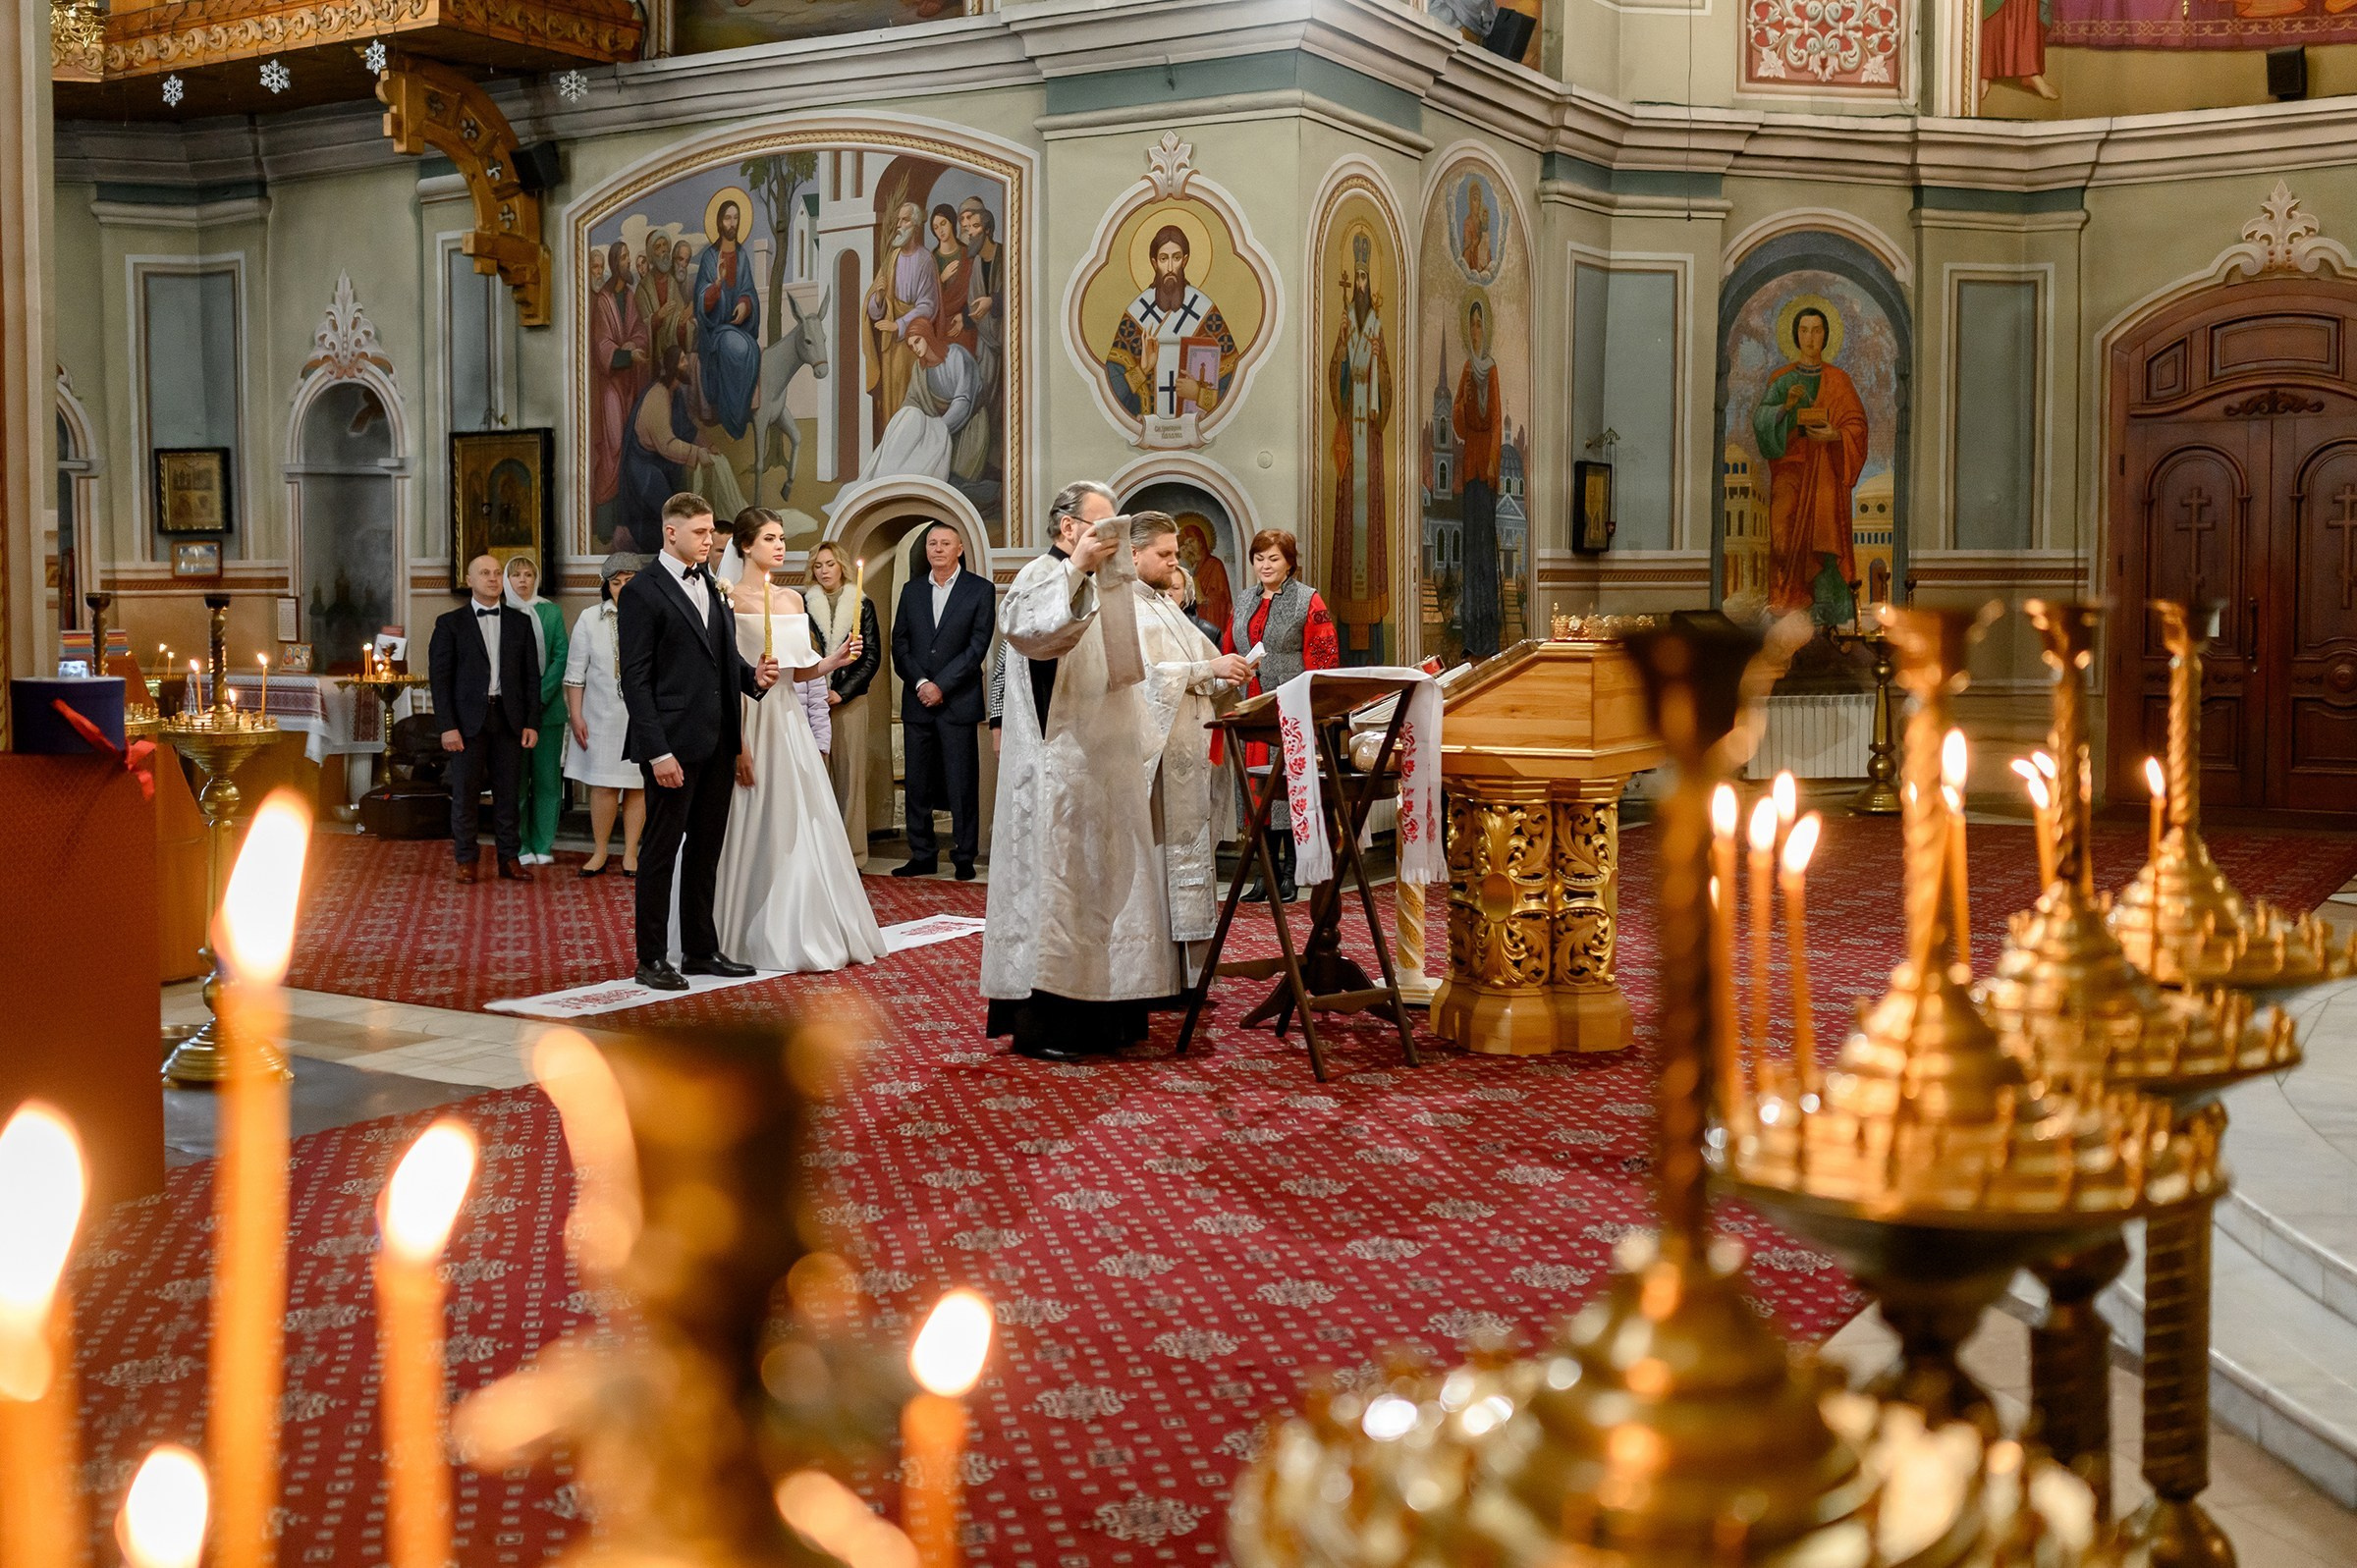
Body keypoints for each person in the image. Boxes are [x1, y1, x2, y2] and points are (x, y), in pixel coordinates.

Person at [982, 481, 1171, 1059]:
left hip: (1108, 763)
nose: (1110, 536)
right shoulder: (1040, 576)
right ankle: (1052, 1026)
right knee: (1061, 888)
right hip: (1060, 770)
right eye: (1100, 525)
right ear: (1069, 528)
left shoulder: (1116, 584)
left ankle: (1111, 1019)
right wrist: (1076, 572)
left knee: (1108, 883)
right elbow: (1032, 633)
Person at [617, 492, 782, 991]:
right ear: (672, 532)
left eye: (712, 533)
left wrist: (754, 677)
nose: (711, 541)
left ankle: (700, 949)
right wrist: (658, 750)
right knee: (661, 849)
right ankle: (650, 958)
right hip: (671, 742)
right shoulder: (643, 592)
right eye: (701, 533)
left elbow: (720, 655)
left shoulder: (711, 582)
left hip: (717, 736)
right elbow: (636, 680)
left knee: (708, 848)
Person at [713, 510, 886, 972]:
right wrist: (738, 745)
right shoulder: (726, 600)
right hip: (750, 714)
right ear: (745, 546)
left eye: (782, 538)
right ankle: (736, 925)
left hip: (788, 718)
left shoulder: (790, 599)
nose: (780, 546)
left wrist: (835, 660)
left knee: (800, 817)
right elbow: (728, 675)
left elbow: (799, 668)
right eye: (770, 538)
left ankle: (804, 921)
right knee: (749, 814)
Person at [1130, 513, 1252, 978]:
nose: (1174, 562)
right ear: (1133, 553)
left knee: (1190, 854)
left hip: (1187, 753)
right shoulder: (1126, 606)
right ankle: (1159, 970)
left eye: (1176, 553)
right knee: (1161, 862)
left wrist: (1231, 670)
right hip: (1158, 759)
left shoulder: (1164, 604)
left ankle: (1189, 972)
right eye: (1164, 554)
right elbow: (1146, 678)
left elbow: (1204, 663)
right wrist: (1210, 672)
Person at [1223, 528, 1340, 902]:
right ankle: (1265, 873)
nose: (1265, 565)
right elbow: (1229, 646)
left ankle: (1291, 873)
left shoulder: (1309, 599)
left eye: (1273, 558)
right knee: (1255, 793)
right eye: (1259, 558)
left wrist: (1312, 703)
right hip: (1251, 702)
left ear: (1290, 562)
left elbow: (1323, 656)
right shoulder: (1244, 600)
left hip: (1290, 704)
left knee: (1287, 789)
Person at [428, 553, 543, 884]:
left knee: (509, 793)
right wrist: (447, 726)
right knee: (465, 793)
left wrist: (531, 722)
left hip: (509, 719)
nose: (493, 579)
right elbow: (441, 679)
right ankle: (466, 858)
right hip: (466, 722)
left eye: (496, 573)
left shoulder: (520, 623)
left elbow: (531, 678)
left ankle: (509, 858)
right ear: (470, 580)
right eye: (485, 573)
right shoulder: (449, 624)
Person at [890, 520, 994, 881]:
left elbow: (976, 647)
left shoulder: (980, 590)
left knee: (961, 781)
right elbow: (899, 644)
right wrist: (920, 681)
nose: (937, 549)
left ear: (959, 549)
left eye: (944, 543)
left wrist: (942, 686)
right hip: (917, 700)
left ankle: (964, 855)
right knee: (918, 782)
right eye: (932, 543)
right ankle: (922, 853)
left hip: (958, 702)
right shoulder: (911, 590)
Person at [1754, 304, 1867, 626]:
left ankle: (1826, 607)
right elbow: (1762, 422)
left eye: (1817, 330)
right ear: (1795, 335)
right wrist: (1785, 407)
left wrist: (1836, 435)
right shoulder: (1781, 379)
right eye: (1804, 330)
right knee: (1784, 536)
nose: (1810, 337)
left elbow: (1857, 425)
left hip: (1825, 472)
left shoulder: (1839, 380)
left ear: (1826, 336)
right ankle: (1786, 603)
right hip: (1790, 470)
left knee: (1825, 532)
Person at [565, 552, 649, 878]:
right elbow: (575, 674)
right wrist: (576, 716)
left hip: (640, 715)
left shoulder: (653, 616)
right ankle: (600, 851)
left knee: (638, 785)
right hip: (599, 715)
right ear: (606, 586)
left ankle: (630, 853)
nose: (624, 588)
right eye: (616, 583)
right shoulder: (589, 618)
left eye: (630, 582)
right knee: (602, 786)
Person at [1105, 225, 1240, 424]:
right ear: (1154, 263)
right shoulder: (1136, 313)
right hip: (1147, 426)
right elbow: (1113, 390)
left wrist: (1198, 393)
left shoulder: (1205, 311)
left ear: (1185, 260)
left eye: (1176, 258)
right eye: (1163, 259)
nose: (1170, 268)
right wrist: (1142, 369)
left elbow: (1233, 384)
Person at [806, 542, 881, 868]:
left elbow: (870, 657)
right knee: (817, 774)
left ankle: (853, 856)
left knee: (850, 778)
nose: (824, 571)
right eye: (818, 565)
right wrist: (817, 689)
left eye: (830, 564)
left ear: (842, 567)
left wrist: (843, 692)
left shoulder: (862, 604)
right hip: (812, 699)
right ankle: (820, 853)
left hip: (849, 701)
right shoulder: (803, 605)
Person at [504, 555, 570, 866]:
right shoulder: (500, 614)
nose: (523, 580)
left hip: (549, 710)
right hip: (512, 713)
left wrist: (539, 697)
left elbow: (561, 657)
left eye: (529, 574)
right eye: (516, 575)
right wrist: (521, 703)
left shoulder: (551, 612)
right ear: (508, 580)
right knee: (516, 780)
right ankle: (520, 844)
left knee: (546, 780)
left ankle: (543, 844)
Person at [1453, 297, 1506, 659]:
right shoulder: (1466, 372)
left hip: (1484, 471)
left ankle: (1490, 636)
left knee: (1486, 553)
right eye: (1471, 324)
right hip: (1469, 469)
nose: (1475, 331)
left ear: (1486, 331)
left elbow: (1497, 419)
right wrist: (1462, 401)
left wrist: (1492, 464)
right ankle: (1472, 635)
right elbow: (1459, 425)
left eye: (1479, 324)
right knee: (1471, 555)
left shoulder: (1492, 370)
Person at [863, 202, 940, 428]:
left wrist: (899, 325)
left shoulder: (925, 259)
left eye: (905, 220)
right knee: (891, 401)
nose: (899, 225)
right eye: (898, 221)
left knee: (911, 398)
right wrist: (877, 299)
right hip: (890, 344)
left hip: (912, 341)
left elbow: (928, 305)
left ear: (915, 226)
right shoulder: (891, 259)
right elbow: (874, 310)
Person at [693, 198, 763, 440]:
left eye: (735, 218)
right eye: (727, 218)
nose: (732, 223)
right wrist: (718, 284)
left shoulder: (742, 256)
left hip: (738, 327)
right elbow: (701, 301)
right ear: (719, 222)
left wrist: (745, 305)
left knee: (751, 347)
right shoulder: (710, 258)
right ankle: (731, 416)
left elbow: (748, 291)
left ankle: (738, 412)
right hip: (715, 331)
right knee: (736, 349)